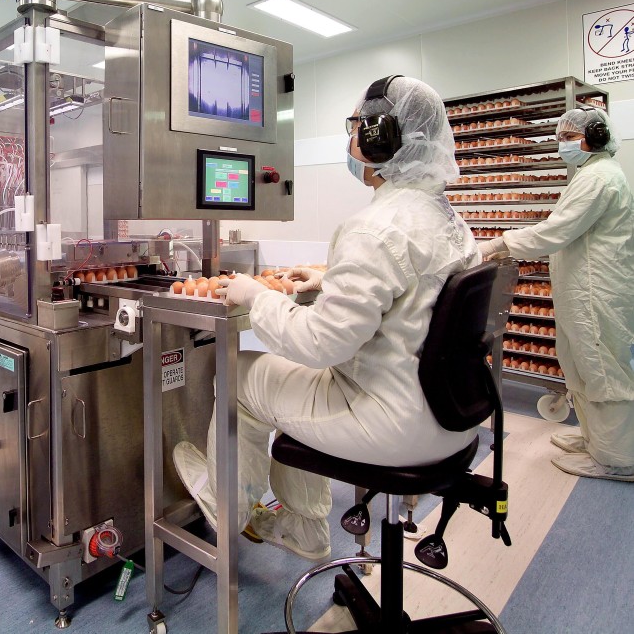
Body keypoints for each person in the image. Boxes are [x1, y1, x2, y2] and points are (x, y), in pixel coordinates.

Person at [173, 76, 481, 559]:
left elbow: (321, 344)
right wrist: (329, 281)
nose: (352, 138)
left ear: (381, 136)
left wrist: (255, 295)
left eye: (356, 126)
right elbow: (412, 295)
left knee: (240, 375)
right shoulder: (447, 221)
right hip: (450, 416)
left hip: (393, 424)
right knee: (293, 385)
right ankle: (304, 525)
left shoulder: (375, 228)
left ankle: (224, 505)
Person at [480, 107, 634, 482]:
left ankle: (618, 458)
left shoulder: (600, 178)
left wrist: (500, 243)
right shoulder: (588, 174)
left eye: (567, 138)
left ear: (594, 136)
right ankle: (595, 439)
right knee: (579, 365)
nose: (561, 145)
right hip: (582, 289)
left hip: (598, 291)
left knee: (601, 370)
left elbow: (556, 231)